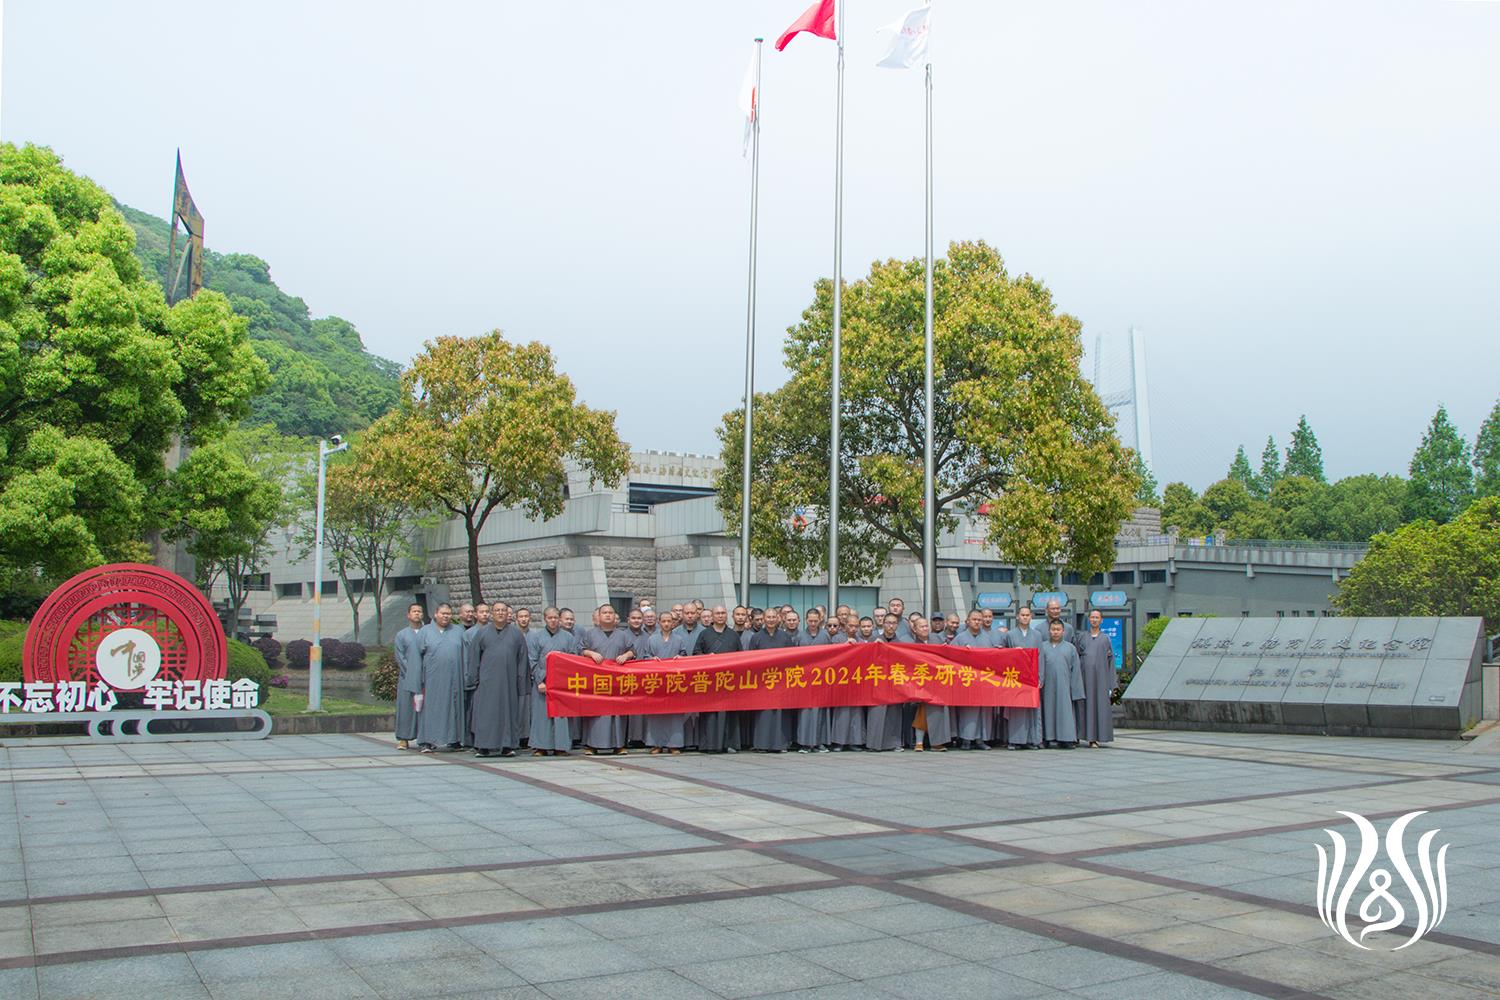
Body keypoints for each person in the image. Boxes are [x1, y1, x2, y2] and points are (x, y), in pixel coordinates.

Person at [471, 602, 527, 757]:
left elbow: (522, 660)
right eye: (497, 610)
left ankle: (507, 746)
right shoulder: (482, 633)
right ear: (492, 613)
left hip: (509, 681)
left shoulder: (516, 634)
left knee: (508, 713)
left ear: (508, 614)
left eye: (503, 610)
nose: (500, 613)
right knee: (486, 713)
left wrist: (521, 681)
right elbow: (474, 657)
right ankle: (483, 746)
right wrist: (475, 679)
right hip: (487, 681)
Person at [578, 604, 635, 755]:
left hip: (617, 681)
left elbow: (632, 651)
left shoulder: (623, 635)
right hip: (597, 681)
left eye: (610, 612)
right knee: (596, 712)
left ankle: (619, 745)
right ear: (599, 616)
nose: (608, 615)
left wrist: (625, 656)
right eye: (604, 613)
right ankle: (592, 744)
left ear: (615, 616)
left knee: (617, 713)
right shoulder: (590, 634)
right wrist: (590, 653)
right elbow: (580, 650)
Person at [416, 603, 466, 752]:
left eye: (449, 614)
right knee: (431, 708)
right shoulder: (425, 631)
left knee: (454, 708)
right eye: (443, 613)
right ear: (435, 614)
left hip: (455, 677)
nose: (446, 616)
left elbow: (465, 654)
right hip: (433, 678)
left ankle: (454, 740)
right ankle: (427, 740)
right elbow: (416, 656)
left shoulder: (458, 631)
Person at [529, 607, 578, 755]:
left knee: (561, 716)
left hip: (561, 683)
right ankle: (541, 747)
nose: (553, 620)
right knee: (541, 715)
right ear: (545, 618)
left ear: (560, 619)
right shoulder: (537, 637)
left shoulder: (568, 638)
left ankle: (560, 747)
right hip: (543, 681)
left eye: (556, 617)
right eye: (550, 618)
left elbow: (573, 659)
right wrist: (539, 681)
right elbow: (532, 660)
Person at [694, 605, 743, 753]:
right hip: (709, 681)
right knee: (709, 713)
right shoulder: (704, 634)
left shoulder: (733, 635)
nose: (720, 616)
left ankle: (728, 743)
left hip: (728, 681)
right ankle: (708, 744)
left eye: (723, 613)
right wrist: (706, 658)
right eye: (717, 613)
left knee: (728, 713)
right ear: (712, 616)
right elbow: (695, 653)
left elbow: (741, 656)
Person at [642, 610, 689, 753]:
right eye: (664, 621)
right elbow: (645, 657)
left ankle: (674, 744)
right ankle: (656, 744)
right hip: (657, 682)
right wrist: (651, 659)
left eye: (669, 621)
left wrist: (680, 658)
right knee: (657, 714)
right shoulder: (652, 639)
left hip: (674, 682)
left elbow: (684, 655)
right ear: (659, 622)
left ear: (673, 623)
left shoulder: (679, 639)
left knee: (674, 714)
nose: (667, 624)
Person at [748, 607, 794, 751]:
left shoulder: (785, 637)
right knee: (764, 713)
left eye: (774, 617)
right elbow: (751, 660)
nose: (771, 620)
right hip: (763, 681)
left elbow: (791, 659)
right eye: (768, 617)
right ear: (763, 619)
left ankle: (780, 744)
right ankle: (762, 744)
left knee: (781, 713)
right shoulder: (756, 638)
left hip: (780, 680)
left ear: (778, 618)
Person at [1002, 606, 1047, 749]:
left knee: (1032, 709)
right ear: (1017, 617)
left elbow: (1041, 657)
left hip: (1032, 677)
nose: (1025, 617)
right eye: (1022, 615)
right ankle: (1015, 740)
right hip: (1015, 678)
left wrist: (1041, 677)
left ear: (1031, 616)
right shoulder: (1010, 635)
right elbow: (1003, 655)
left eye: (1027, 615)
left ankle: (1032, 740)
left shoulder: (1037, 635)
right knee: (1016, 709)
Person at [950, 609, 994, 750]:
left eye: (979, 620)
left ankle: (981, 739)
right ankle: (966, 739)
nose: (977, 622)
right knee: (968, 710)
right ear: (968, 621)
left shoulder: (987, 638)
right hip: (967, 680)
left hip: (983, 679)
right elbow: (951, 657)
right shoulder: (960, 638)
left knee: (983, 711)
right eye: (974, 619)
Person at [908, 616, 952, 751]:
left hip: (937, 681)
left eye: (926, 626)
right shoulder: (910, 644)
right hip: (920, 682)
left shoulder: (937, 639)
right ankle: (919, 742)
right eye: (921, 626)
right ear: (914, 629)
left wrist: (946, 649)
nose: (925, 628)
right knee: (922, 711)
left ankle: (937, 742)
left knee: (939, 711)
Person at [1040, 618, 1084, 748]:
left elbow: (1076, 671)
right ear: (1049, 631)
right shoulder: (1042, 647)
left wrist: (1075, 690)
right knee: (1047, 711)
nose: (1055, 632)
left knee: (1064, 711)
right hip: (1047, 686)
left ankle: (1066, 738)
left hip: (1064, 686)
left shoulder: (1070, 648)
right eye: (1053, 629)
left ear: (1063, 631)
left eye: (1058, 630)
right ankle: (1047, 737)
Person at [1074, 609, 1115, 748]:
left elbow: (1110, 662)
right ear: (1088, 619)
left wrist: (1111, 684)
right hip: (1084, 679)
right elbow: (1076, 658)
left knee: (1098, 707)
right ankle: (1080, 736)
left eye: (1097, 617)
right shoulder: (1081, 637)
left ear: (1101, 620)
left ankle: (1096, 737)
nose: (1094, 620)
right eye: (1092, 617)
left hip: (1100, 680)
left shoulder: (1105, 639)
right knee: (1082, 707)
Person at [864, 616, 906, 751]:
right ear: (883, 624)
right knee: (876, 713)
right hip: (877, 682)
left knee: (894, 714)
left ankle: (893, 743)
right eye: (888, 623)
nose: (891, 626)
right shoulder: (873, 640)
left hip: (894, 682)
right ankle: (874, 744)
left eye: (894, 623)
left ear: (897, 625)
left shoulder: (901, 643)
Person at [393, 602, 425, 750]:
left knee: (425, 709)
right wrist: (412, 673)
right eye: (414, 611)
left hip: (426, 679)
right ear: (408, 615)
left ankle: (425, 738)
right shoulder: (401, 635)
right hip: (407, 678)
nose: (417, 613)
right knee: (405, 708)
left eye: (419, 611)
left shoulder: (428, 632)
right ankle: (403, 738)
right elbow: (400, 657)